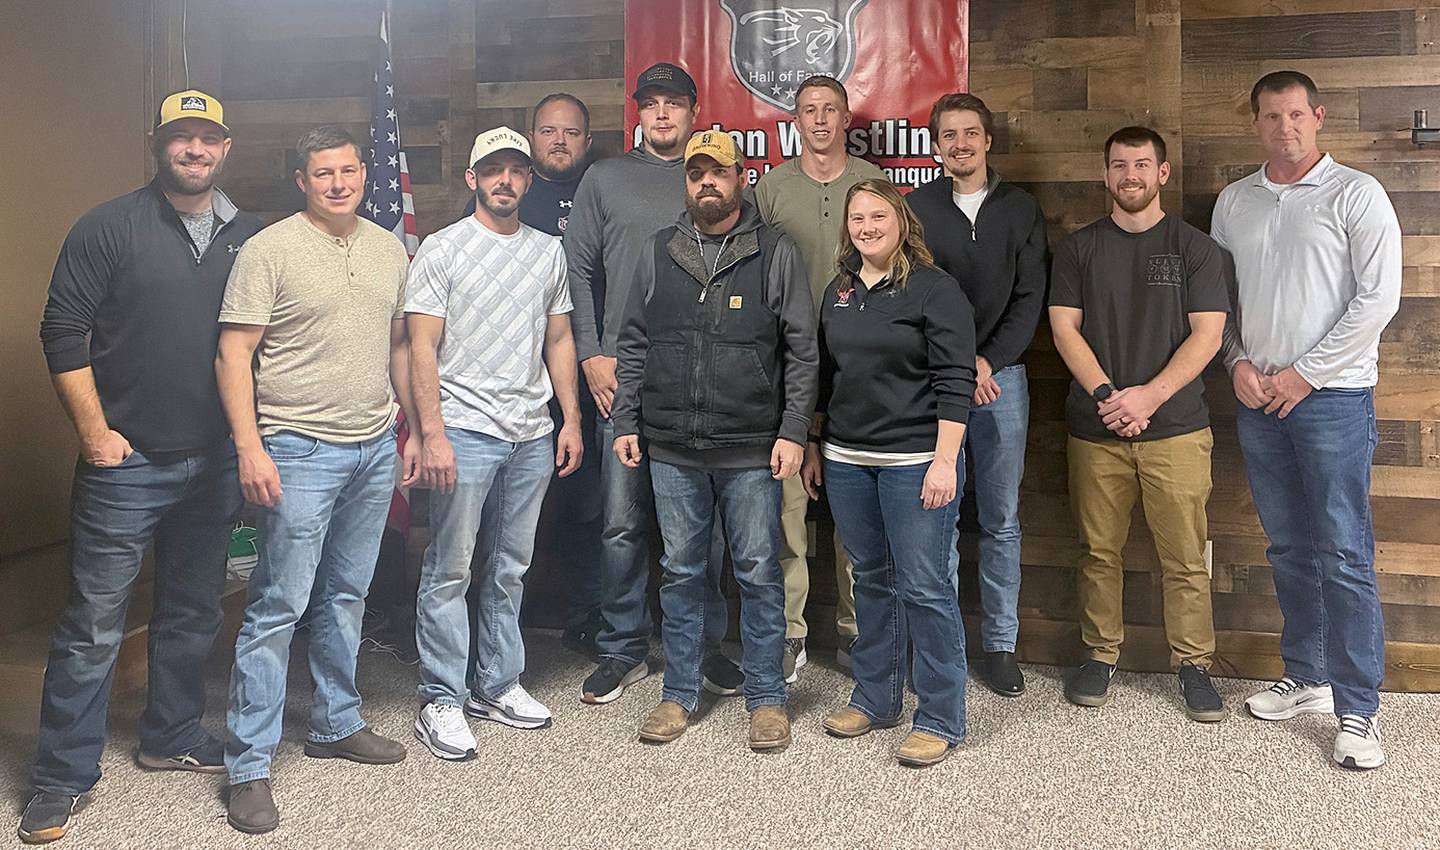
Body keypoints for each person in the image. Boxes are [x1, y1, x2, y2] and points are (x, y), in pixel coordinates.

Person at [23, 90, 262, 845]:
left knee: (193, 609)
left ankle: (171, 733)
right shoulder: (109, 226)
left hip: (215, 461)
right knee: (93, 624)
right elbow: (61, 329)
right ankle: (60, 776)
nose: (194, 150)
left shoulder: (249, 235)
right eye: (180, 138)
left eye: (208, 138)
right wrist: (94, 434)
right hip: (126, 465)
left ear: (228, 147)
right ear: (156, 144)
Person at [216, 126, 419, 834]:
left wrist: (413, 427)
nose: (338, 183)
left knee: (347, 595)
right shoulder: (269, 249)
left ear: (364, 174)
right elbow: (233, 354)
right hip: (297, 448)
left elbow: (397, 344)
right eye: (322, 173)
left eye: (348, 171)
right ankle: (248, 766)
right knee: (278, 605)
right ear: (301, 181)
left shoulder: (388, 246)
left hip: (370, 448)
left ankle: (336, 721)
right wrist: (251, 446)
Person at [1212, 71, 1402, 770]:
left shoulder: (1357, 194)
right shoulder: (1234, 202)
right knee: (1288, 546)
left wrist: (1305, 374)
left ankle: (1358, 711)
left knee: (1344, 553)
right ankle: (1309, 676)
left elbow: (1378, 300)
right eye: (1270, 116)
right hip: (1258, 399)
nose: (1284, 126)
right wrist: (1236, 361)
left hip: (1333, 401)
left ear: (1318, 117)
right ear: (1256, 123)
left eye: (1295, 114)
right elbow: (1221, 301)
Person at [612, 130, 817, 749]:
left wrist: (793, 432)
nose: (707, 182)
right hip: (672, 445)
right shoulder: (658, 250)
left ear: (741, 178)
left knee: (757, 570)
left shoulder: (774, 251)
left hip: (752, 445)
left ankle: (766, 698)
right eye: (697, 173)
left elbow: (803, 352)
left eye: (719, 173)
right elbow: (631, 343)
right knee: (681, 571)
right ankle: (679, 693)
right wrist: (626, 420)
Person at [567, 63, 740, 704]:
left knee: (706, 528)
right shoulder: (605, 178)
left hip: (703, 382)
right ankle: (621, 645)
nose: (662, 114)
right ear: (637, 112)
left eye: (675, 104)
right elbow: (577, 272)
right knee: (620, 520)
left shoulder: (711, 181)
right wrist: (591, 353)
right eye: (652, 104)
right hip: (626, 375)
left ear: (695, 111)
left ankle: (707, 646)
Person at [408, 127, 583, 761]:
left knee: (510, 566)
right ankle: (441, 698)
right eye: (492, 171)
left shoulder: (547, 251)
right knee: (450, 567)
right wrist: (432, 434)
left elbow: (559, 340)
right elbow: (420, 345)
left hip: (531, 431)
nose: (504, 181)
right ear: (472, 179)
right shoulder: (442, 248)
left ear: (528, 180)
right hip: (464, 429)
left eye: (515, 170)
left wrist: (571, 418)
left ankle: (498, 682)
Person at [1047, 126, 1229, 722]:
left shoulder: (1196, 249)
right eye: (1120, 165)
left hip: (1176, 427)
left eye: (1142, 165)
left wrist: (1148, 397)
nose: (1131, 175)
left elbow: (1208, 334)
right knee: (1098, 551)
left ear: (1163, 173)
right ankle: (1101, 655)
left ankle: (1194, 665)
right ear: (1105, 176)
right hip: (1096, 429)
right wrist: (1107, 395)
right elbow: (1064, 328)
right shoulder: (1078, 249)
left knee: (1183, 554)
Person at [802, 178, 977, 767]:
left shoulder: (934, 290)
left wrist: (945, 461)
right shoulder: (839, 291)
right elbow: (825, 378)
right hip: (848, 460)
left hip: (916, 461)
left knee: (925, 587)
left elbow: (956, 382)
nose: (867, 227)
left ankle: (940, 715)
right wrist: (811, 443)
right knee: (870, 580)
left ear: (901, 222)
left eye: (879, 216)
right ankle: (876, 697)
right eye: (857, 218)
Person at [907, 92, 1047, 697]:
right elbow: (911, 294)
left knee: (1001, 520)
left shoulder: (1021, 209)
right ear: (935, 146)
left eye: (970, 134)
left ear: (987, 141)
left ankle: (1000, 644)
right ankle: (938, 647)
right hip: (936, 381)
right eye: (948, 136)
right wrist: (962, 365)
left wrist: (988, 360)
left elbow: (1029, 298)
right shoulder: (915, 208)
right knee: (935, 518)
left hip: (1003, 381)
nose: (959, 145)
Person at [460, 93, 605, 659]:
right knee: (498, 520)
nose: (560, 141)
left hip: (583, 379)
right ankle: (485, 635)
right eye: (548, 131)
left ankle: (586, 618)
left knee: (586, 507)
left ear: (587, 142)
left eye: (571, 132)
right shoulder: (505, 201)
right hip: (504, 389)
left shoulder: (602, 191)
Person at [753, 74, 883, 682]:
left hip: (858, 357)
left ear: (846, 117)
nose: (821, 120)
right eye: (810, 110)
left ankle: (859, 633)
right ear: (796, 120)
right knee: (787, 506)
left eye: (831, 109)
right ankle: (790, 634)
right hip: (786, 361)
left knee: (856, 506)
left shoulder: (872, 185)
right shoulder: (773, 187)